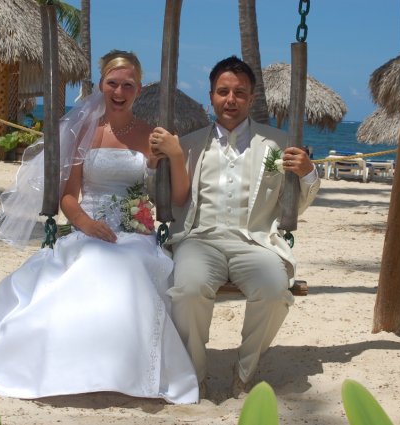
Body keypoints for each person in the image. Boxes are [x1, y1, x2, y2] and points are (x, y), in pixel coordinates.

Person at [0, 50, 199, 404]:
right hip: (89, 228)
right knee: (86, 266)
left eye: (128, 85)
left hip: (134, 233)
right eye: (113, 83)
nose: (119, 92)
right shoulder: (84, 133)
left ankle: (123, 370)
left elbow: (178, 197)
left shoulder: (150, 136)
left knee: (129, 271)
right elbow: (69, 197)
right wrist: (86, 224)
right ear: (101, 86)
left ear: (139, 89)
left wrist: (176, 155)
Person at [164, 56, 320, 399]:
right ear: (211, 96)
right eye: (223, 92)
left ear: (251, 98)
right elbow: (169, 195)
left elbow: (295, 204)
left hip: (255, 240)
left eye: (239, 93)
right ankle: (195, 377)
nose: (230, 99)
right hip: (200, 239)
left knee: (276, 291)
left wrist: (308, 171)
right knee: (187, 291)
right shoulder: (189, 144)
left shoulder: (278, 142)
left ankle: (244, 375)